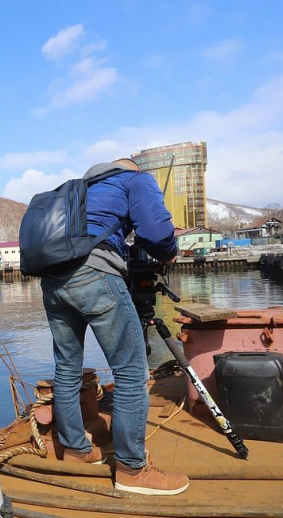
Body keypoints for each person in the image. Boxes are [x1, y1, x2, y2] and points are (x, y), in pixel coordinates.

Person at [40, 158, 189, 495]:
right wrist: (168, 255)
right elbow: (155, 230)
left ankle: (76, 451)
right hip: (94, 273)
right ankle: (132, 470)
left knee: (67, 367)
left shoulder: (75, 191)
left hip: (52, 280)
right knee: (131, 372)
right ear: (131, 169)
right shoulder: (134, 179)